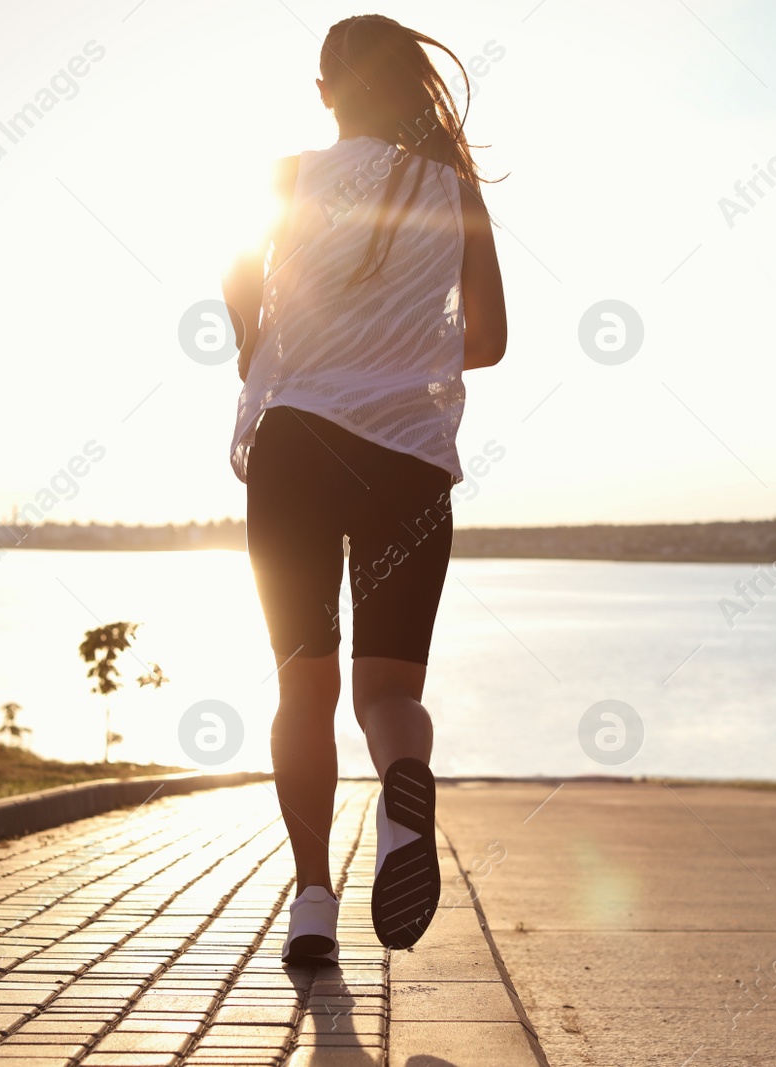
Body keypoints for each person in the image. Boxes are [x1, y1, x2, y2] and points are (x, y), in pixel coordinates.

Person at [222, 13, 507, 964]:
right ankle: (404, 790)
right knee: (388, 692)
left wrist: (262, 353)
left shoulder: (286, 177)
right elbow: (491, 338)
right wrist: (408, 353)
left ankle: (311, 900)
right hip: (410, 459)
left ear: (325, 90)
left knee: (303, 688)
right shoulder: (455, 188)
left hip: (297, 446)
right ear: (407, 85)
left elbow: (237, 275)